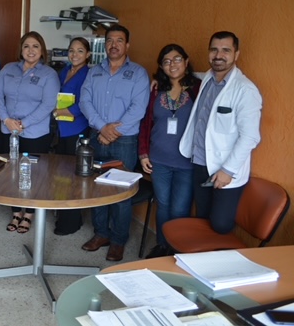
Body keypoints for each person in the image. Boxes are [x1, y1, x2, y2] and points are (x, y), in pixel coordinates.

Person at [179, 31, 262, 235]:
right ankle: (202, 253)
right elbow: (194, 75)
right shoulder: (208, 78)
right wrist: (162, 80)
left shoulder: (245, 90)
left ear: (236, 54)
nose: (219, 55)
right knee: (202, 216)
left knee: (220, 223)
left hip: (225, 168)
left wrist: (228, 170)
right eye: (214, 50)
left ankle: (220, 252)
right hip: (200, 161)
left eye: (226, 50)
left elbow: (250, 137)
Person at [79, 24, 149, 261]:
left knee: (120, 190)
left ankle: (118, 240)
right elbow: (84, 101)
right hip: (97, 136)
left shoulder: (138, 73)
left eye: (119, 40)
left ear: (127, 45)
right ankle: (101, 234)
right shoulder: (94, 71)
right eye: (109, 40)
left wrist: (111, 131)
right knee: (97, 187)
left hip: (124, 140)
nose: (114, 45)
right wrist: (102, 127)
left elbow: (138, 108)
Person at [0, 31, 59, 233]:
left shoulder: (48, 74)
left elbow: (48, 104)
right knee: (10, 172)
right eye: (26, 46)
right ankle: (15, 212)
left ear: (42, 50)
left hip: (35, 133)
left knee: (34, 174)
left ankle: (28, 214)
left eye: (35, 46)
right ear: (21, 50)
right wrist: (6, 119)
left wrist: (23, 123)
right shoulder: (8, 69)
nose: (31, 50)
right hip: (7, 130)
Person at [138, 44, 201, 258]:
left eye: (177, 59)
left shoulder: (199, 88)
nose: (172, 64)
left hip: (187, 162)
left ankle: (177, 251)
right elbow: (146, 123)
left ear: (186, 61)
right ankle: (162, 246)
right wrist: (143, 153)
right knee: (163, 205)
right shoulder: (156, 90)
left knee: (180, 209)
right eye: (166, 61)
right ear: (161, 66)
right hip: (158, 160)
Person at [52, 37, 92, 236]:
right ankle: (63, 214)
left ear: (88, 54)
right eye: (71, 50)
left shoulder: (89, 74)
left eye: (80, 51)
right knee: (61, 174)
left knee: (74, 176)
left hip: (77, 128)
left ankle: (71, 221)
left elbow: (86, 101)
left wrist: (65, 112)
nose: (75, 55)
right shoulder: (65, 71)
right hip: (61, 128)